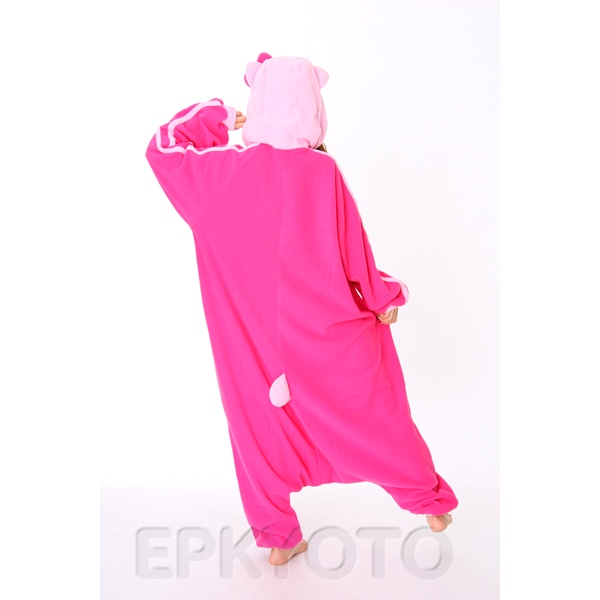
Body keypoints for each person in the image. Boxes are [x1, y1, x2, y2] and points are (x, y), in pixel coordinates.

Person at [145, 52, 458, 567]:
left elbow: (162, 149)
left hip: (252, 346)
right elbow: (354, 252)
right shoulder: (323, 172)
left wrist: (214, 118)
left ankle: (279, 538)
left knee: (257, 428)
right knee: (370, 412)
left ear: (258, 104)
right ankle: (430, 503)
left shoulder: (218, 174)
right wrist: (384, 296)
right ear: (313, 108)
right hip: (322, 331)